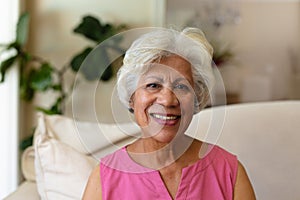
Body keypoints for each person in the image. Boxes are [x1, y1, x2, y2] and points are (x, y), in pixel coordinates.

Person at [83, 27, 256, 200]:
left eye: (181, 86)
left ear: (196, 99)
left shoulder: (229, 173)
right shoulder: (103, 180)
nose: (168, 100)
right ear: (131, 97)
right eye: (153, 85)